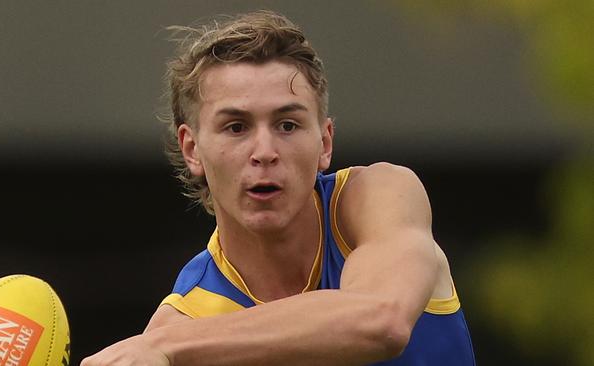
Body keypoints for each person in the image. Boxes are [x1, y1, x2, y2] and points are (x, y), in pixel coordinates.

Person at [81, 10, 475, 366]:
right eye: (236, 127)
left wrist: (173, 346)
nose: (265, 152)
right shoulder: (187, 320)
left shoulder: (380, 195)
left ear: (325, 143)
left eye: (287, 125)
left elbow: (381, 319)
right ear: (192, 149)